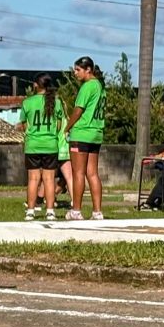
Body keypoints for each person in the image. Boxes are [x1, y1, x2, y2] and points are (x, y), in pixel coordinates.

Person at [17, 73, 64, 221]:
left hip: (33, 145)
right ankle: (50, 210)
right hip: (50, 145)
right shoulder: (57, 102)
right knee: (49, 179)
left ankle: (30, 211)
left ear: (36, 84)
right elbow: (58, 125)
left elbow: (23, 125)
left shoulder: (28, 102)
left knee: (33, 179)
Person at [64, 56, 105, 221]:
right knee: (93, 173)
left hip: (82, 133)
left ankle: (76, 210)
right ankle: (97, 211)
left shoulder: (87, 86)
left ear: (88, 69)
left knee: (78, 173)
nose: (75, 73)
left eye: (78, 70)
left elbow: (78, 110)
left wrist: (67, 127)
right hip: (96, 132)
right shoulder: (100, 86)